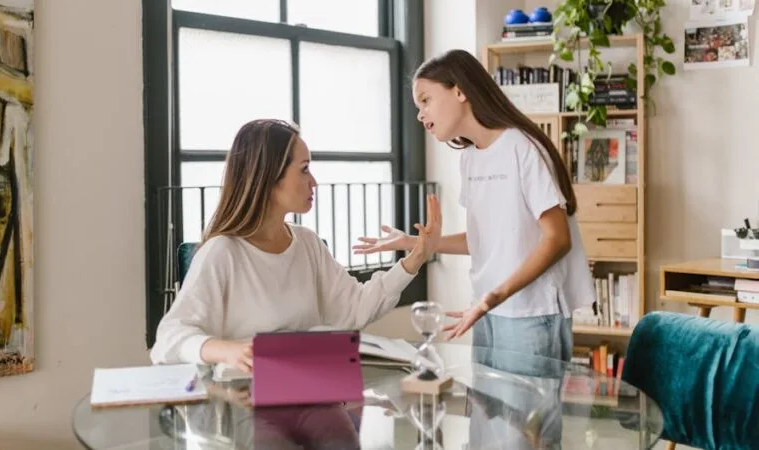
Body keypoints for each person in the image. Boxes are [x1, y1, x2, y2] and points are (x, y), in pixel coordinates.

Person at [353, 49, 595, 363]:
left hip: (529, 314)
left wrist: (494, 296)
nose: (420, 115)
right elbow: (479, 241)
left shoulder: (522, 147)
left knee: (527, 413)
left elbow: (557, 239)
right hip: (485, 310)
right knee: (485, 412)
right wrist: (415, 242)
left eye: (425, 100)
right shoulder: (470, 159)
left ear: (460, 90)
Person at [149, 119, 442, 371]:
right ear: (269, 177)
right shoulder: (222, 252)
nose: (313, 181)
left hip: (312, 396)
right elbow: (169, 339)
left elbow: (354, 309)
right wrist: (227, 350)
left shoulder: (307, 243)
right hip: (244, 410)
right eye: (303, 170)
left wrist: (413, 260)